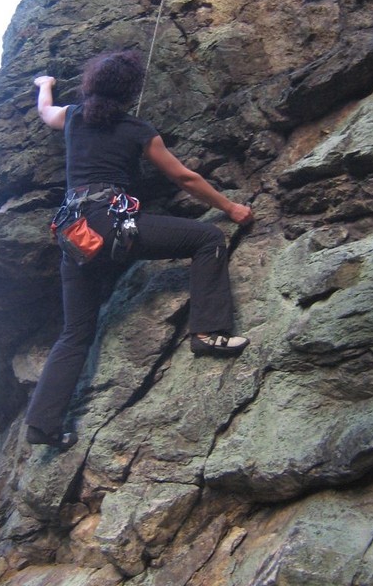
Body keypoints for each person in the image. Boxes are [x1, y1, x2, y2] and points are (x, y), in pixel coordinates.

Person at [25, 50, 254, 449]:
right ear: (130, 92)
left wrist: (45, 85)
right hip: (112, 225)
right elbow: (184, 177)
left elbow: (45, 113)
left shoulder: (73, 118)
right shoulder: (138, 130)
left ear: (90, 86)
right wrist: (230, 208)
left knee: (75, 332)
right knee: (208, 238)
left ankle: (42, 425)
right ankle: (208, 333)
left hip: (75, 234)